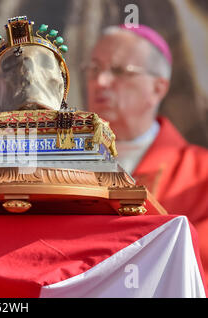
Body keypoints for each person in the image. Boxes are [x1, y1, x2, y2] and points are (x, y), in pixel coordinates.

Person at [86, 24, 208, 276]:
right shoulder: (59, 163)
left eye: (119, 71)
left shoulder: (201, 173)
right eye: (94, 69)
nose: (100, 82)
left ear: (158, 89)